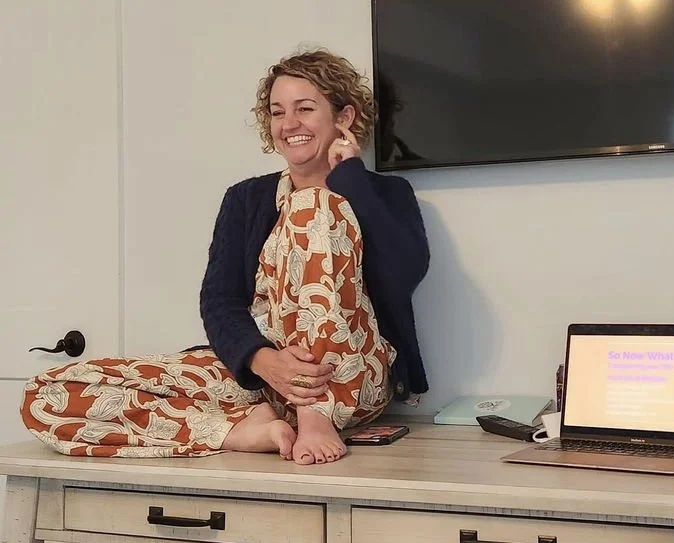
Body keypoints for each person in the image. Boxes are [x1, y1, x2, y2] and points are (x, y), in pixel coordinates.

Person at [19, 48, 430, 465]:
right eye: (277, 112)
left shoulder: (386, 194)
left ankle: (313, 415)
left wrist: (349, 179)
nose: (289, 124)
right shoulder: (245, 198)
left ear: (342, 118)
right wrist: (263, 360)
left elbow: (403, 274)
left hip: (347, 378)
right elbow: (219, 300)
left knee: (312, 207)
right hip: (258, 379)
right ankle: (240, 431)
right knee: (47, 395)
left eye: (305, 109)